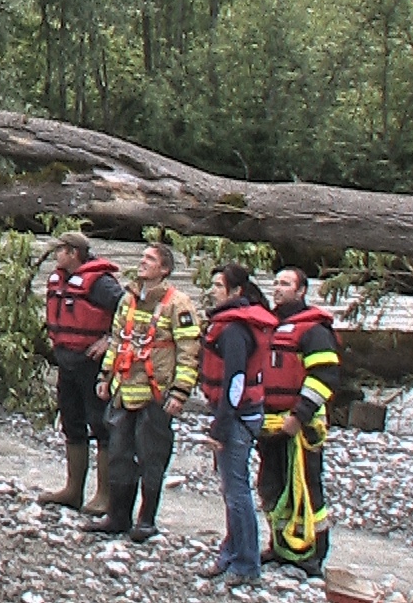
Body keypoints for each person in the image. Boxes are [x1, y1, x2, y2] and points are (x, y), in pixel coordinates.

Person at [85, 242, 200, 542]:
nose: (142, 262)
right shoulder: (128, 300)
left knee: (151, 458)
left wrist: (180, 393)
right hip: (124, 390)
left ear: (165, 269)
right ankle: (118, 516)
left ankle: (146, 521)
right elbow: (117, 340)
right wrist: (105, 377)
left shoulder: (179, 305)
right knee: (119, 455)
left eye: (150, 259)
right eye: (142, 257)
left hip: (156, 395)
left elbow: (189, 352)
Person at [196, 263, 277, 587]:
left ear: (235, 292)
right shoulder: (233, 324)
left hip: (238, 417)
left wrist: (220, 425)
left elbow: (235, 381)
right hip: (239, 413)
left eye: (218, 285)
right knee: (231, 489)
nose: (213, 290)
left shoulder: (233, 331)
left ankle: (246, 563)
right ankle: (230, 553)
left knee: (237, 491)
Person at [257, 267, 341, 577]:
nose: (277, 288)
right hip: (270, 422)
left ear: (302, 290)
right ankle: (281, 547)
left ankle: (314, 554)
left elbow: (325, 376)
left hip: (302, 426)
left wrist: (299, 414)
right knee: (272, 485)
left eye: (285, 284)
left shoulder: (314, 330)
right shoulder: (269, 325)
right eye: (276, 283)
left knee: (307, 489)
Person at [40, 230, 124, 513]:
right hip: (67, 361)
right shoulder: (61, 279)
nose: (55, 255)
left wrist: (110, 339)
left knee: (100, 425)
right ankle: (73, 490)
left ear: (73, 253)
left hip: (92, 363)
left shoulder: (100, 283)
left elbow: (127, 309)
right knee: (72, 422)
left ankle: (104, 495)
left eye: (60, 250)